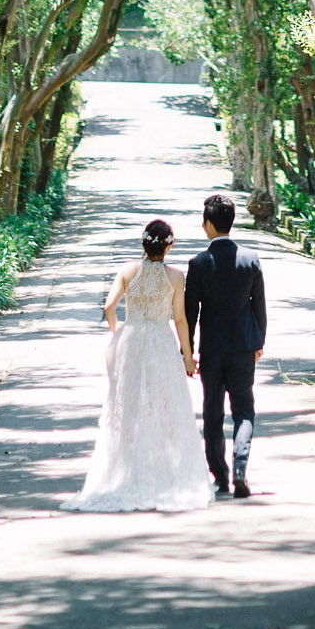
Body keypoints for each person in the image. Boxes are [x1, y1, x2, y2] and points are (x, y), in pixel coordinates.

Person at [63, 217, 210, 513]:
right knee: (165, 404)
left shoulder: (128, 271)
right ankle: (162, 468)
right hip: (159, 340)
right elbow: (180, 319)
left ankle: (125, 468)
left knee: (126, 406)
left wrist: (118, 333)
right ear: (168, 246)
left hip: (132, 338)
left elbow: (108, 307)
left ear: (143, 243)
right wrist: (188, 355)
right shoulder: (176, 277)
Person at [184, 192, 267, 498]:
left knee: (212, 412)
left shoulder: (199, 263)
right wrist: (259, 342)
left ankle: (220, 475)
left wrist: (187, 351)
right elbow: (259, 306)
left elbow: (190, 312)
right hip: (244, 346)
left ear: (207, 225)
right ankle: (241, 470)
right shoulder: (250, 259)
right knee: (244, 410)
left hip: (212, 349)